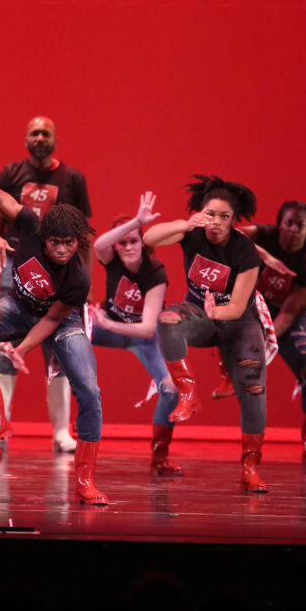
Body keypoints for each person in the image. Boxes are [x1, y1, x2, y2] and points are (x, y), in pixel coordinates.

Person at [0, 180, 107, 503]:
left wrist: (20, 349)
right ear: (43, 237)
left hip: (63, 322)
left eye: (69, 243)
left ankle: (84, 480)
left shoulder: (78, 277)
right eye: (55, 243)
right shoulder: (29, 225)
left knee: (90, 392)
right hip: (18, 308)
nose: (62, 250)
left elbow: (51, 319)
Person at [143, 175, 270, 492]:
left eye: (224, 217)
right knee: (168, 319)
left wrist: (219, 313)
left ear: (233, 220)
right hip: (199, 313)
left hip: (238, 321)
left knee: (253, 390)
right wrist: (185, 225)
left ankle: (250, 468)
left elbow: (239, 305)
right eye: (211, 214)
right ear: (201, 212)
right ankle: (188, 393)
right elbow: (150, 238)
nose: (216, 222)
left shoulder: (246, 252)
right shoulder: (191, 233)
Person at [0, 115, 93, 452]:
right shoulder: (11, 174)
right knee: (7, 349)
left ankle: (61, 433)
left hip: (61, 274)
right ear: (25, 139)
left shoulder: (73, 178)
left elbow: (84, 235)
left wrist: (86, 281)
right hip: (16, 267)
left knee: (58, 349)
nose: (39, 137)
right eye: (33, 132)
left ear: (55, 139)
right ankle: (0, 427)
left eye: (45, 132)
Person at [90, 192, 182, 473]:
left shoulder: (155, 272)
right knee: (67, 329)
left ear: (143, 242)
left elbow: (147, 329)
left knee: (171, 389)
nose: (129, 246)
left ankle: (159, 458)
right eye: (123, 242)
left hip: (141, 338)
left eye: (135, 240)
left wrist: (107, 325)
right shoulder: (112, 258)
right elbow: (98, 244)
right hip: (109, 328)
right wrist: (135, 222)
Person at [238, 201, 306, 465]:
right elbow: (229, 234)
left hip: (284, 319)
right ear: (279, 224)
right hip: (248, 308)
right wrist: (264, 255)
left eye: (300, 225)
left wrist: (266, 338)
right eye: (288, 223)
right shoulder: (263, 235)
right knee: (243, 372)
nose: (292, 229)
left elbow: (289, 313)